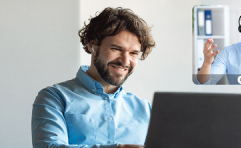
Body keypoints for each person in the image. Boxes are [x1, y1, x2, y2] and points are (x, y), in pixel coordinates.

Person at [32, 7, 155, 148]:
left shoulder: (146, 109)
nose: (125, 61)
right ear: (92, 46)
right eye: (116, 49)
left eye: (133, 53)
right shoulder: (54, 97)